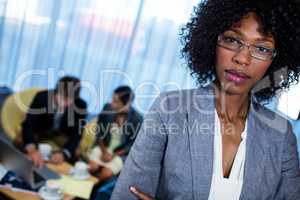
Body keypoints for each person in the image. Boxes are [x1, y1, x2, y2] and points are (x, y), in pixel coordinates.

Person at [111, 0, 300, 199]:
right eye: (232, 40)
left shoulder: (281, 135)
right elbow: (127, 195)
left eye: (261, 48)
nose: (242, 58)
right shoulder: (170, 110)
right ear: (212, 41)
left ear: (276, 60)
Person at [21, 76, 87, 167]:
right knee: (20, 140)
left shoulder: (81, 105)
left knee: (76, 151)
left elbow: (77, 133)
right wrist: (32, 150)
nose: (65, 103)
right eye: (63, 98)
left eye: (70, 100)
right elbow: (28, 124)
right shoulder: (42, 97)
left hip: (61, 133)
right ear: (56, 92)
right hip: (40, 130)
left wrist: (64, 154)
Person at [88, 86, 143, 183]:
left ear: (127, 104)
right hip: (103, 147)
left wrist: (113, 155)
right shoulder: (107, 108)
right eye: (112, 99)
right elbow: (99, 132)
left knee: (106, 174)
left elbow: (132, 144)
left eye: (116, 101)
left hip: (120, 153)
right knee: (92, 167)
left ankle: (91, 191)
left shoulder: (137, 118)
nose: (112, 104)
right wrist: (104, 151)